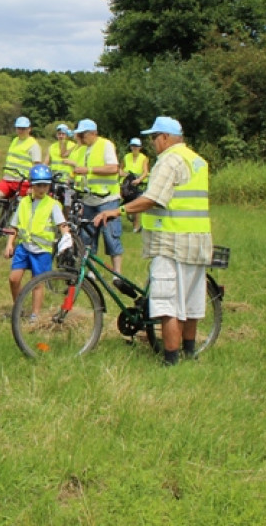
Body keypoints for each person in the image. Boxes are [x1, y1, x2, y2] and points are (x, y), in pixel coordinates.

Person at [93, 117, 212, 366]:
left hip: (172, 241)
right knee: (190, 303)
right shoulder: (197, 160)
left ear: (165, 138)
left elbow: (153, 198)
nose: (152, 143)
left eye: (154, 137)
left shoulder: (169, 160)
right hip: (198, 240)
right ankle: (190, 354)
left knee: (167, 304)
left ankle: (170, 361)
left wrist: (118, 211)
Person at [4, 164, 70, 319]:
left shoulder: (52, 205)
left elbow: (62, 225)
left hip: (42, 251)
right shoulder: (24, 203)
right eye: (39, 185)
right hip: (24, 247)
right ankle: (18, 308)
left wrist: (67, 238)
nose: (42, 189)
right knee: (13, 279)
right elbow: (14, 225)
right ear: (32, 185)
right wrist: (9, 243)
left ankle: (35, 315)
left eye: (45, 185)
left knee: (37, 283)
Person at [72, 119, 124, 276]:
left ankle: (117, 274)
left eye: (84, 134)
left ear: (94, 133)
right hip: (88, 200)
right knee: (87, 237)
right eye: (80, 134)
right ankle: (91, 272)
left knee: (110, 236)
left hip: (107, 199)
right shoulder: (81, 150)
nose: (82, 137)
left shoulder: (105, 145)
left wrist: (88, 170)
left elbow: (113, 168)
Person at [0, 116, 41, 203]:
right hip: (7, 180)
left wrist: (33, 186)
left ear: (29, 129)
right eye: (18, 128)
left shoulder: (33, 145)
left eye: (23, 128)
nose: (20, 131)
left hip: (22, 182)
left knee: (21, 207)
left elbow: (37, 167)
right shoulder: (15, 140)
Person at [120, 138, 151, 232]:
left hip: (137, 184)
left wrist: (139, 180)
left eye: (136, 146)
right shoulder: (126, 157)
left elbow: (145, 172)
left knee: (136, 204)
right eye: (133, 146)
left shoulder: (144, 158)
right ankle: (122, 215)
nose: (134, 148)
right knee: (120, 203)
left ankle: (136, 227)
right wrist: (125, 175)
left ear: (140, 147)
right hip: (125, 183)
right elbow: (120, 170)